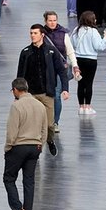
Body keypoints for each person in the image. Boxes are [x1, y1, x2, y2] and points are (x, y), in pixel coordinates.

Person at [15, 24, 69, 156]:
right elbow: (20, 74)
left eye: (35, 33)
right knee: (33, 125)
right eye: (31, 33)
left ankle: (50, 141)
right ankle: (35, 150)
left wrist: (65, 89)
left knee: (50, 125)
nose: (33, 35)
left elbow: (61, 70)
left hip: (47, 93)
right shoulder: (26, 52)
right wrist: (17, 93)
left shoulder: (51, 51)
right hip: (30, 95)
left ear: (42, 35)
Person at [3, 77, 47, 210]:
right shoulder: (40, 105)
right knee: (29, 182)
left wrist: (8, 147)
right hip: (35, 146)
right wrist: (40, 145)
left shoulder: (17, 106)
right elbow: (44, 129)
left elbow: (12, 131)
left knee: (9, 178)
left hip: (18, 147)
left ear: (15, 90)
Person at [70, 11, 106, 115]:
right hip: (91, 60)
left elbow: (71, 44)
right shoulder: (93, 31)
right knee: (89, 83)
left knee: (80, 83)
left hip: (78, 59)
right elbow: (99, 46)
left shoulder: (76, 30)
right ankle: (87, 106)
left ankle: (80, 107)